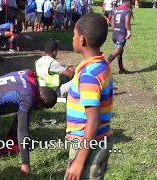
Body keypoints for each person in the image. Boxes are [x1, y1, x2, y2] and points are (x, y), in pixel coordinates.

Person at [65, 13, 114, 180]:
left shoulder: (89, 76)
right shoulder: (101, 66)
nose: (73, 39)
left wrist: (79, 160)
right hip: (99, 139)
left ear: (82, 40)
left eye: (74, 35)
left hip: (87, 143)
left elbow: (92, 120)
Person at [107, 0, 132, 74]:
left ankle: (121, 69)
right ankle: (102, 67)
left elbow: (112, 19)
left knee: (120, 51)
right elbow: (127, 21)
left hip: (115, 34)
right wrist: (128, 31)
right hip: (121, 34)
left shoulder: (117, 9)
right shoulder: (128, 10)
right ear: (128, 2)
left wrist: (114, 29)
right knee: (117, 51)